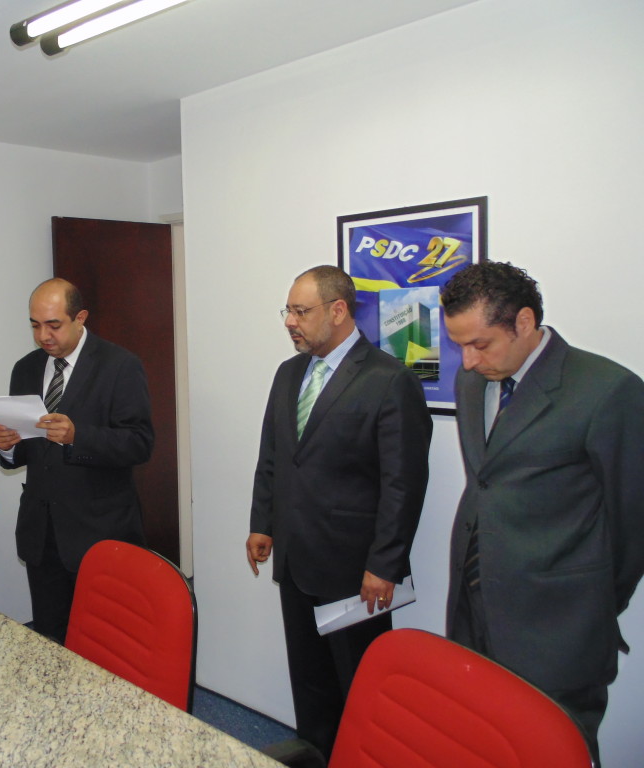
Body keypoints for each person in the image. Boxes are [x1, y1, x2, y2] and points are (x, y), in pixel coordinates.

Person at [441, 261, 644, 765]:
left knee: (553, 750)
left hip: (558, 627)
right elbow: (485, 483)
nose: (466, 362)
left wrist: (591, 604)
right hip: (474, 607)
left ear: (525, 323)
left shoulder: (607, 391)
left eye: (479, 344)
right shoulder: (473, 384)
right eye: (457, 344)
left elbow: (632, 520)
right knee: (482, 740)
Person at [246, 265, 432, 761]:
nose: (290, 321)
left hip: (354, 572)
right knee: (309, 678)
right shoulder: (289, 374)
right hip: (296, 557)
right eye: (287, 310)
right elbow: (273, 455)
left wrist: (385, 564)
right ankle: (314, 751)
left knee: (359, 685)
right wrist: (262, 524)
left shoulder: (389, 381)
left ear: (338, 310)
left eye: (300, 311)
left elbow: (404, 484)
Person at [0, 278, 154, 643]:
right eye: (34, 325)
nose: (43, 336)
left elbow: (140, 443)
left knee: (107, 639)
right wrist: (7, 445)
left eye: (53, 325)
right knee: (51, 637)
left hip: (100, 530)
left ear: (80, 317)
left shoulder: (119, 365)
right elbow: (25, 451)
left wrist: (79, 435)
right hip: (42, 531)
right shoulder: (26, 368)